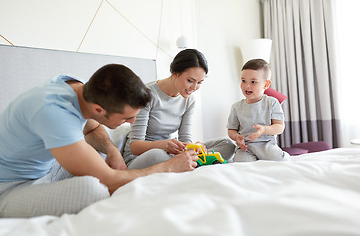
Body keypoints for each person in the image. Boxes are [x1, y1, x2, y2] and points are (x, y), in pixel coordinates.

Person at [0, 64, 198, 218]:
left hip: (50, 167)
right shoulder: (53, 113)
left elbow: (93, 127)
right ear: (98, 110)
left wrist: (112, 151)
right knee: (92, 190)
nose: (132, 123)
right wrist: (169, 168)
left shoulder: (80, 88)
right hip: (12, 187)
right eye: (126, 118)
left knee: (102, 152)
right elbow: (108, 181)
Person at [122, 49, 235, 169]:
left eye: (199, 82)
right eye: (190, 81)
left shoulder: (188, 100)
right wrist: (164, 145)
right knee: (158, 155)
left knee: (228, 144)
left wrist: (193, 147)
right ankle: (194, 164)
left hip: (172, 151)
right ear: (175, 73)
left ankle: (191, 163)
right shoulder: (147, 95)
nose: (194, 87)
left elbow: (185, 138)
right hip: (142, 156)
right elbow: (135, 146)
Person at [227, 59, 289, 162]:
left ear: (266, 85)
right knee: (240, 164)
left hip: (266, 145)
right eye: (243, 81)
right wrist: (237, 137)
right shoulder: (236, 107)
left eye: (253, 82)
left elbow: (279, 127)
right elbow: (231, 130)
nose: (247, 86)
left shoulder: (272, 103)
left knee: (280, 160)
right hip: (245, 147)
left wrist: (264, 130)